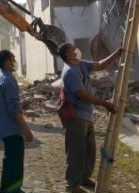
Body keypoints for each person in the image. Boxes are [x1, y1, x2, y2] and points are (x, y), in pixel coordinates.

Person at [58, 43, 121, 193]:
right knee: (76, 153)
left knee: (89, 152)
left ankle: (84, 179)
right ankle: (71, 185)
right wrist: (104, 103)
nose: (76, 50)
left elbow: (100, 65)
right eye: (73, 49)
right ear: (69, 55)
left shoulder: (80, 64)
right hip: (76, 117)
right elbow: (82, 94)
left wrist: (118, 53)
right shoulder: (70, 72)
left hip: (86, 116)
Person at [0, 49, 33, 193]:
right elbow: (14, 110)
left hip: (3, 128)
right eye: (13, 58)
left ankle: (6, 189)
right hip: (12, 129)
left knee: (9, 162)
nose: (15, 61)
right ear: (7, 62)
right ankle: (13, 190)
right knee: (15, 164)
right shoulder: (8, 80)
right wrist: (26, 130)